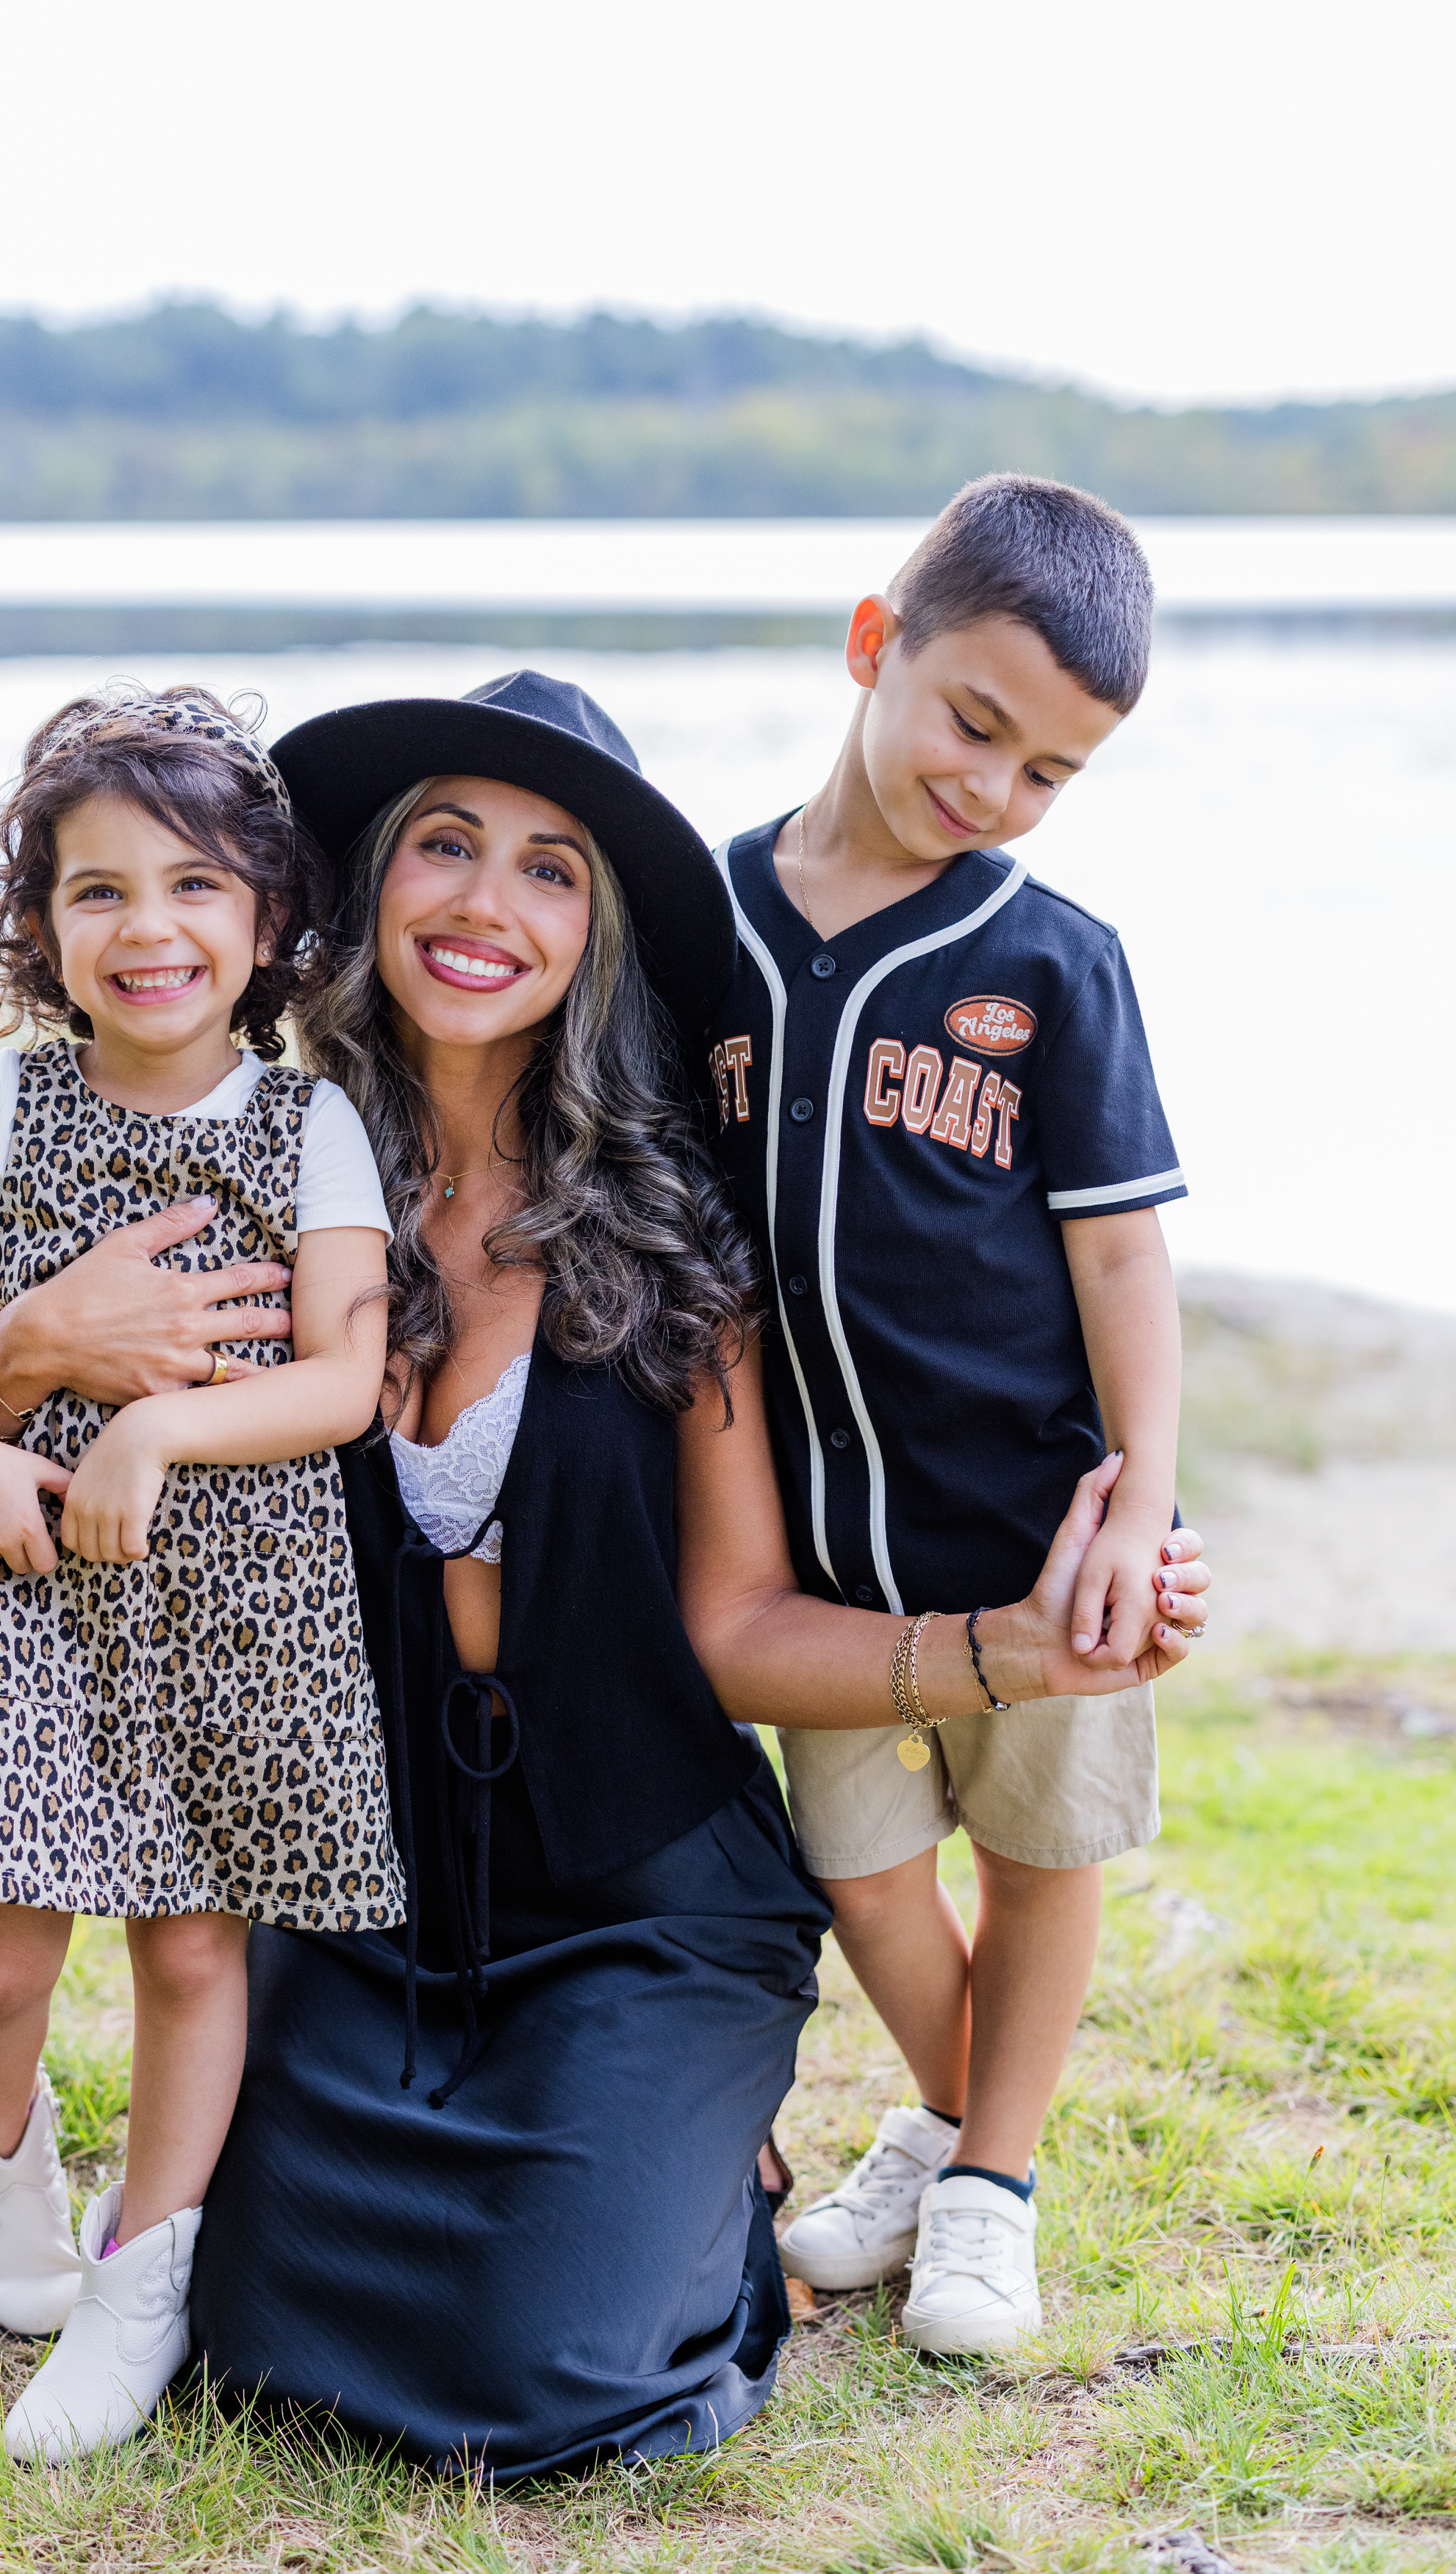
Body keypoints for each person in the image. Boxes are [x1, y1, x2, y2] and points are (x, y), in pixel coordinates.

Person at [0, 670, 1211, 2481]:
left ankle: (701, 2158)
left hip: (637, 1891)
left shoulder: (671, 1235)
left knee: (539, 2363)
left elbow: (729, 1631)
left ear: (600, 931)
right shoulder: (260, 1168)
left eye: (551, 869)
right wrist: (12, 1353)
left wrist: (1006, 1653)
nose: (489, 905)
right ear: (364, 886)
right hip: (355, 1887)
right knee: (260, 2326)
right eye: (445, 846)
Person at [0, 685, 401, 2465]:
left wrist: (157, 1435)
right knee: (0, 1958)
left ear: (265, 925)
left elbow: (340, 1378)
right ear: (40, 926)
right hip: (36, 1602)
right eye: (96, 893)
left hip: (242, 1600)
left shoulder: (308, 1123)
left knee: (188, 1950)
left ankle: (142, 2278)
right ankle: (10, 2192)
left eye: (193, 889)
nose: (147, 928)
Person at [706, 475, 1188, 2353]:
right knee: (859, 1866)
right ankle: (948, 2119)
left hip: (1035, 1526)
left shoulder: (1051, 962)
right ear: (869, 649)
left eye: (1047, 770)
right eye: (972, 723)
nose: (991, 788)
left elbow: (1123, 1264)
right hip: (822, 1556)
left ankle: (987, 2183)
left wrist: (1140, 1497)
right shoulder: (711, 923)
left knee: (1039, 1856)